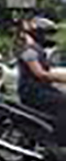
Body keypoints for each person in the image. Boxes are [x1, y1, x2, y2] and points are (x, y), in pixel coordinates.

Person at [17, 16, 66, 148]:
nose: (49, 37)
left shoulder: (39, 50)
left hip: (42, 89)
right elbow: (40, 74)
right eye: (46, 34)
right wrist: (62, 78)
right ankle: (59, 143)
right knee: (63, 103)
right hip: (32, 92)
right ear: (38, 34)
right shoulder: (30, 51)